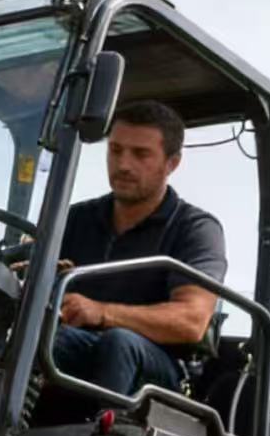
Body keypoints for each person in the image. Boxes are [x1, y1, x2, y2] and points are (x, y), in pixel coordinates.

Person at [51, 100, 227, 396]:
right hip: (76, 346)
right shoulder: (76, 219)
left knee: (119, 342)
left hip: (158, 369)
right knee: (24, 338)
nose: (123, 165)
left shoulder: (194, 228)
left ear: (171, 163)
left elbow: (191, 321)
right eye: (116, 150)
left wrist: (101, 312)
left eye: (140, 154)